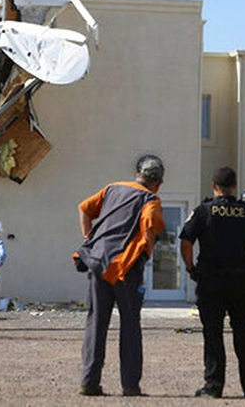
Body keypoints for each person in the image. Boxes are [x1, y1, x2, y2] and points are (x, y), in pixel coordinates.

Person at [74, 154, 166, 397]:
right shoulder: (151, 200)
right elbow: (149, 230)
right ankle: (130, 386)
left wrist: (89, 240)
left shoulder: (112, 188)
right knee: (130, 324)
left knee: (96, 322)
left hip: (97, 263)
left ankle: (89, 382)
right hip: (125, 269)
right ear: (158, 182)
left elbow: (84, 208)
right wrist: (145, 255)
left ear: (137, 174)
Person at [180, 167, 245, 399]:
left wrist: (191, 268)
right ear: (235, 186)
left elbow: (186, 241)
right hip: (240, 282)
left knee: (213, 334)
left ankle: (214, 387)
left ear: (214, 186)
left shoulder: (203, 211)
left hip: (211, 281)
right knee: (244, 335)